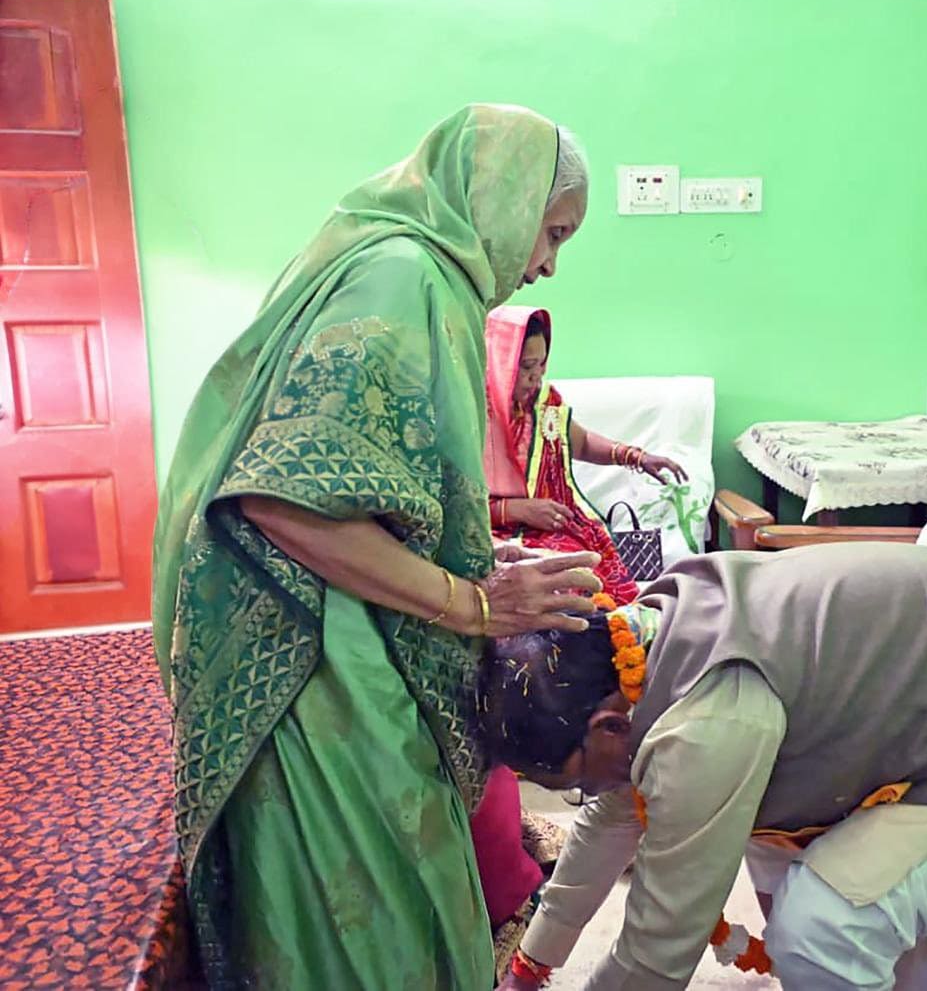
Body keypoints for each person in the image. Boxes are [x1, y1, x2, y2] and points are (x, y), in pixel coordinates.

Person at [151, 104, 606, 989]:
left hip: (346, 626)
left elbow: (377, 491)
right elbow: (286, 501)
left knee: (409, 896)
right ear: (503, 196)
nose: (549, 261)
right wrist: (474, 601)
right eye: (552, 231)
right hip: (309, 659)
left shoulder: (415, 273)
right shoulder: (400, 276)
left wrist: (484, 560)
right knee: (372, 924)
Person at [480, 542, 927, 991]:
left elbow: (656, 954)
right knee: (760, 839)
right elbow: (614, 815)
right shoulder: (641, 633)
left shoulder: (710, 725)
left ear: (607, 723)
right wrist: (532, 964)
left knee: (820, 932)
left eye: (573, 780)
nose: (585, 795)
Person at [484, 305, 687, 605]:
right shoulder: (472, 417)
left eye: (541, 364)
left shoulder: (545, 404)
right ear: (499, 363)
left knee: (589, 572)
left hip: (552, 528)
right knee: (557, 581)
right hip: (491, 534)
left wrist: (637, 458)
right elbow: (452, 505)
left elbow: (582, 442)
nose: (536, 377)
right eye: (526, 366)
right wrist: (516, 510)